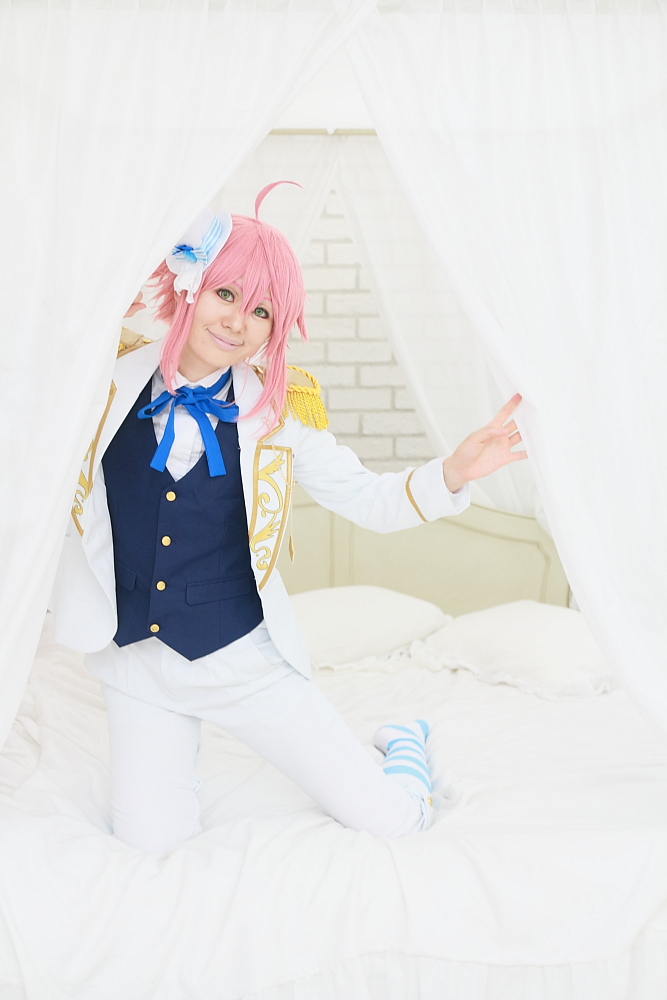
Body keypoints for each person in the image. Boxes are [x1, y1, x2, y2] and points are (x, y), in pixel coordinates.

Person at [49, 182, 527, 854]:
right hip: (137, 662)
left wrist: (451, 472)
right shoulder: (103, 381)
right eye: (225, 293)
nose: (237, 321)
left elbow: (366, 497)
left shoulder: (280, 417)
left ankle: (402, 746)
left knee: (396, 823)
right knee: (152, 846)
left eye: (261, 311)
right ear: (189, 287)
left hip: (241, 660)